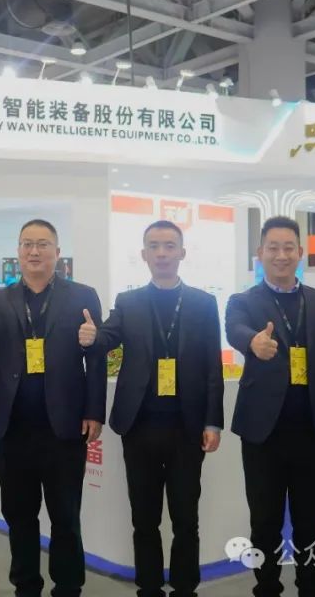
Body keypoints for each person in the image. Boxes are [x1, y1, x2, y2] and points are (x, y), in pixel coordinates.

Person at [0, 219, 105, 597]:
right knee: (19, 517)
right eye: (27, 244)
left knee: (66, 517)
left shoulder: (82, 296)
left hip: (65, 428)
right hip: (12, 429)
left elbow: (96, 359)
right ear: (18, 252)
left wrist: (94, 410)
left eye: (43, 244)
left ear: (58, 252)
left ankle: (68, 587)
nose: (35, 251)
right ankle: (26, 587)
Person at [78, 220, 223, 597]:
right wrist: (93, 338)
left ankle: (185, 588)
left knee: (186, 518)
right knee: (144, 518)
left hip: (187, 428)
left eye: (169, 246)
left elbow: (212, 366)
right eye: (154, 246)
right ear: (144, 254)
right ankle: (149, 588)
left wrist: (213, 422)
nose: (162, 253)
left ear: (182, 253)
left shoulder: (203, 303)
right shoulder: (129, 303)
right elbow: (108, 337)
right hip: (139, 426)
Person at [224, 216, 315, 597]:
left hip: (312, 431)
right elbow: (235, 329)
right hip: (262, 434)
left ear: (300, 252)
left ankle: (311, 588)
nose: (281, 255)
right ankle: (266, 587)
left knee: (311, 522)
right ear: (260, 253)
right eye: (273, 248)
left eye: (288, 248)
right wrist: (253, 342)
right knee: (264, 522)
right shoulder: (243, 302)